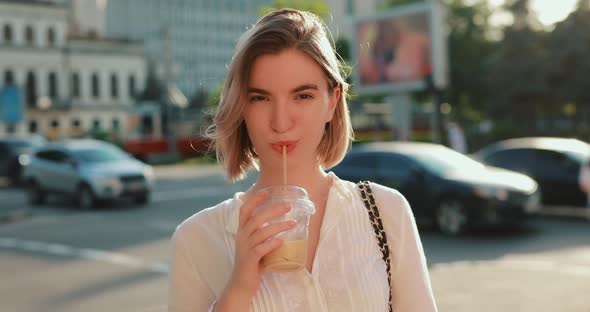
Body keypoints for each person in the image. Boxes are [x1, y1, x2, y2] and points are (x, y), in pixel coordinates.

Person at [169, 9, 438, 312]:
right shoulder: (196, 239)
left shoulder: (386, 212)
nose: (281, 122)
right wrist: (239, 287)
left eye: (302, 96)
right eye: (260, 97)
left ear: (332, 101)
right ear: (242, 108)